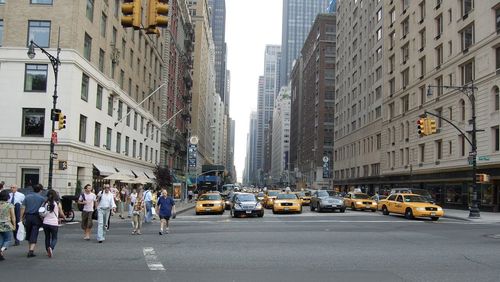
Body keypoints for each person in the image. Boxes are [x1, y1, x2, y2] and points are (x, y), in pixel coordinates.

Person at [21, 184, 46, 257]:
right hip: (37, 217)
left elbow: (23, 208)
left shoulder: (27, 197)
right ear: (40, 190)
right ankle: (31, 250)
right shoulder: (42, 199)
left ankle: (30, 248)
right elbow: (43, 210)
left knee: (28, 232)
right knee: (34, 232)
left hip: (28, 216)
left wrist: (21, 218)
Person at [42, 190, 64, 258]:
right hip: (54, 223)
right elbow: (61, 213)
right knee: (54, 237)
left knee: (47, 237)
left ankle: (47, 250)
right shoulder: (57, 203)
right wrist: (64, 217)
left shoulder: (45, 203)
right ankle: (51, 248)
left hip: (45, 222)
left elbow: (42, 212)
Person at [0, 190, 16, 261]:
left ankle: (1, 253)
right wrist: (14, 225)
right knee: (8, 239)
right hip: (6, 224)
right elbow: (13, 216)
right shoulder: (10, 205)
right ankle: (1, 250)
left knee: (1, 239)